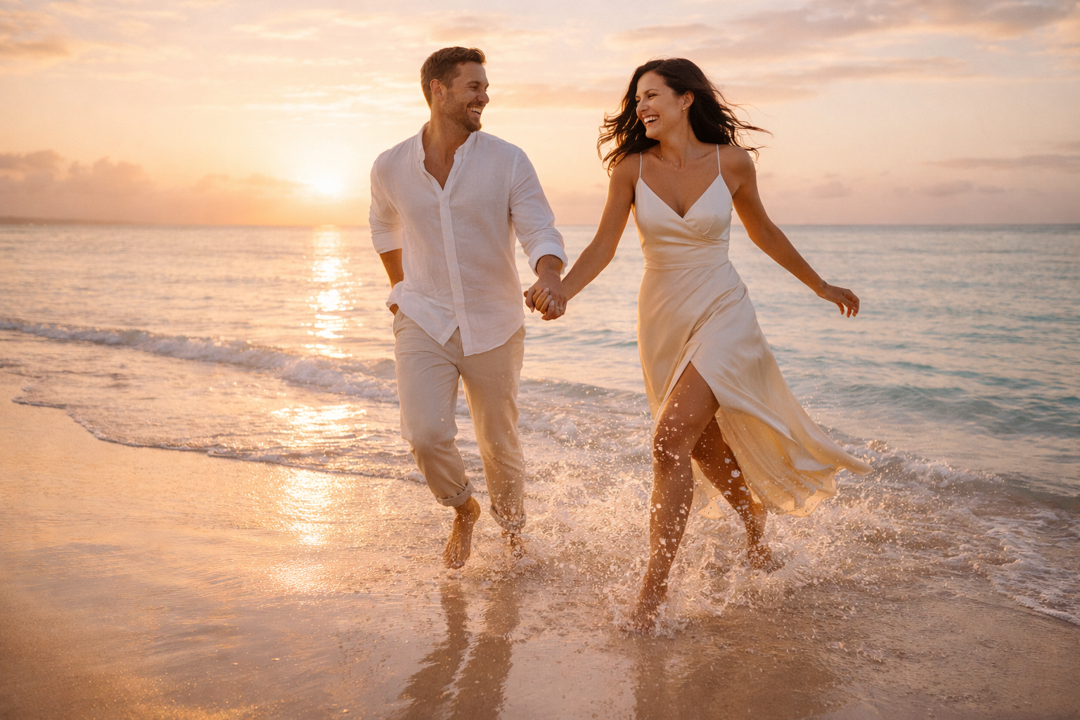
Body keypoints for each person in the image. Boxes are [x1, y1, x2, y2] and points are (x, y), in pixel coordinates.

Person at [527, 58, 872, 630]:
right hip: (663, 317)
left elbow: (763, 230)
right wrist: (560, 289)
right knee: (701, 446)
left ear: (687, 100)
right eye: (637, 100)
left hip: (724, 310)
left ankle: (652, 591)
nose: (641, 108)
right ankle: (754, 524)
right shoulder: (630, 170)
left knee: (667, 442)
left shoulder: (732, 162)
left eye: (652, 96)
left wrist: (820, 285)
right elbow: (603, 247)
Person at [370, 47, 567, 569]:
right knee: (426, 435)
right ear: (439, 89)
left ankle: (514, 538)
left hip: (494, 322)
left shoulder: (507, 160)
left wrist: (548, 275)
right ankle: (463, 509)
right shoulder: (390, 165)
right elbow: (382, 223)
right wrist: (400, 289)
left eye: (485, 86)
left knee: (499, 446)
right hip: (422, 317)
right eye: (474, 86)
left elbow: (539, 229)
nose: (485, 96)